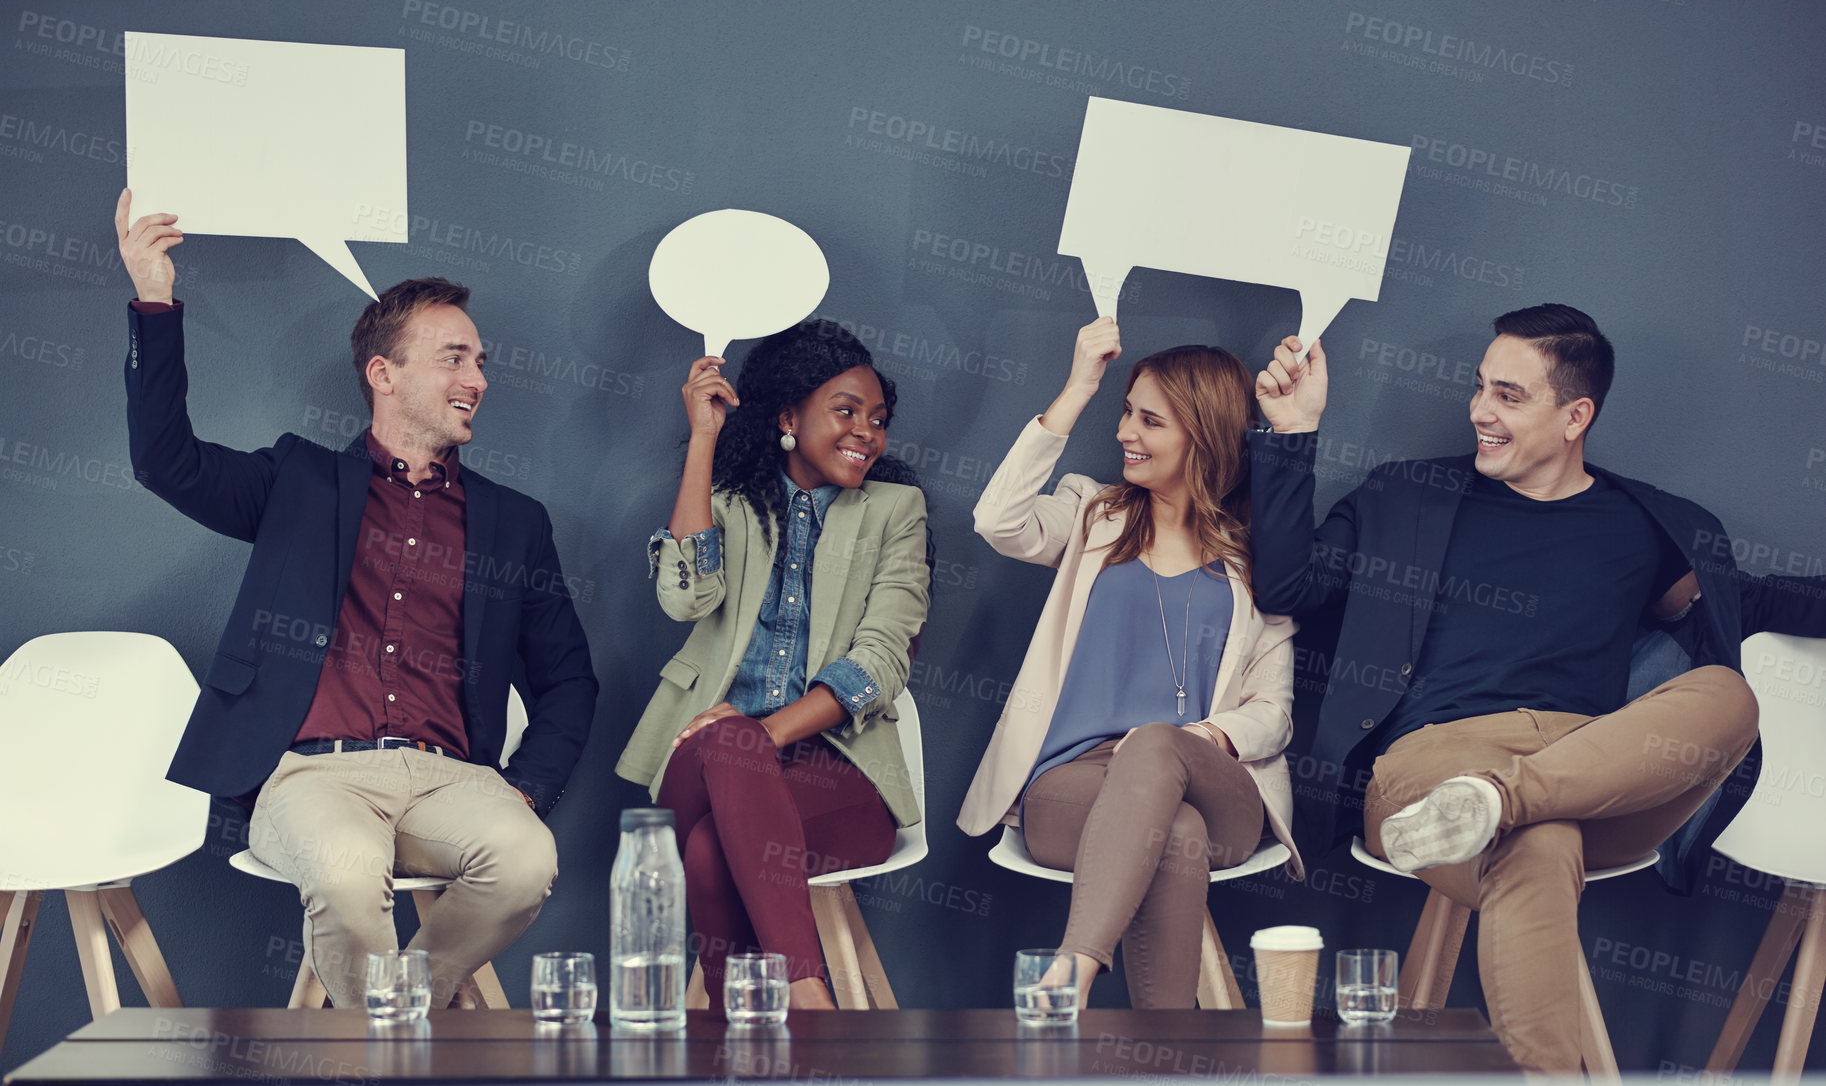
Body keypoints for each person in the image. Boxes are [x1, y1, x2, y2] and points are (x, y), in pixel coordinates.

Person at [1250, 303, 1826, 1070]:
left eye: (1510, 396)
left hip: (1589, 772)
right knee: (1540, 839)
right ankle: (1499, 805)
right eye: (1481, 388)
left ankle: (1500, 800)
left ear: (1575, 415)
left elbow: (1750, 601)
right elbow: (1287, 584)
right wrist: (1292, 433)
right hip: (1431, 765)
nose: (1480, 411)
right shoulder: (1407, 496)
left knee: (1729, 695)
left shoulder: (1641, 527)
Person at [114, 189, 598, 1010]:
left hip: (453, 781)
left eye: (480, 361)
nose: (477, 379)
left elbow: (568, 680)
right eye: (454, 357)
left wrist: (526, 788)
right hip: (312, 777)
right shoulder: (296, 481)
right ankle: (402, 1050)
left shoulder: (515, 524)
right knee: (344, 874)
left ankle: (390, 1030)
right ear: (384, 373)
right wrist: (153, 296)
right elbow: (166, 461)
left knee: (524, 859)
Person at [958, 317, 1302, 1009]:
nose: (1125, 432)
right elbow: (998, 520)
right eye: (1125, 412)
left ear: (1201, 436)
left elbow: (1274, 712)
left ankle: (1072, 972)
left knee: (1160, 758)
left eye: (1149, 420)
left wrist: (1200, 740)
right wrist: (1080, 384)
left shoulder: (1256, 561)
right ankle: (1162, 1046)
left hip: (1214, 779)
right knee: (1175, 832)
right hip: (1075, 786)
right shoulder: (1092, 515)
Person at [615, 321, 930, 1011]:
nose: (867, 433)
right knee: (724, 746)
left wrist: (761, 733)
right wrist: (703, 439)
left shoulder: (895, 511)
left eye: (878, 420)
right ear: (789, 416)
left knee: (706, 848)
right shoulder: (727, 504)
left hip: (838, 773)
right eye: (846, 412)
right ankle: (808, 1002)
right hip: (702, 766)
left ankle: (746, 1036)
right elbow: (683, 595)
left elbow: (880, 660)